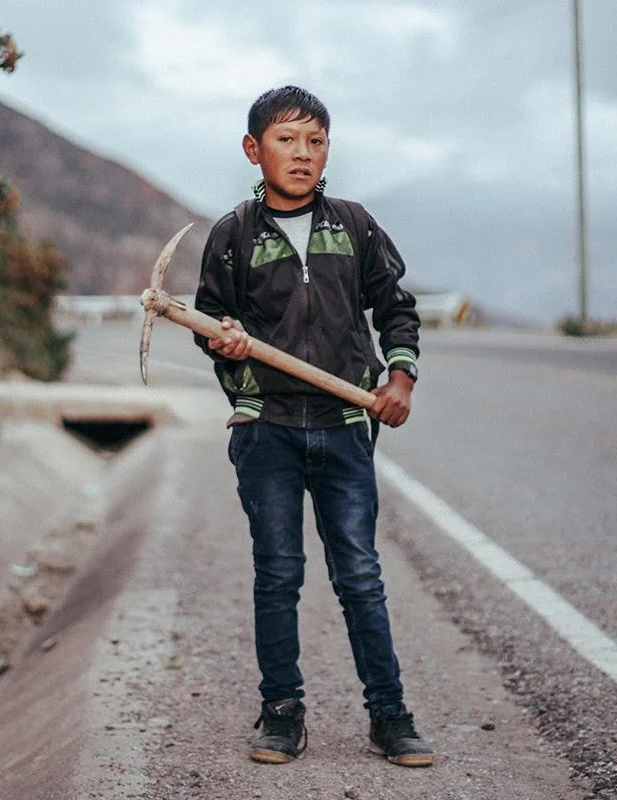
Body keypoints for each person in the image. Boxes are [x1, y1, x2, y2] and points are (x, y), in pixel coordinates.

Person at [194, 86, 433, 768]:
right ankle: (281, 713)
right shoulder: (233, 234)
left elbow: (397, 309)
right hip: (266, 427)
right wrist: (225, 341)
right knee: (277, 573)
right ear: (253, 149)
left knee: (360, 574)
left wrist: (400, 378)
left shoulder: (354, 226)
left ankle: (390, 716)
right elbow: (212, 322)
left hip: (343, 425)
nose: (303, 154)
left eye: (315, 141)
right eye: (287, 139)